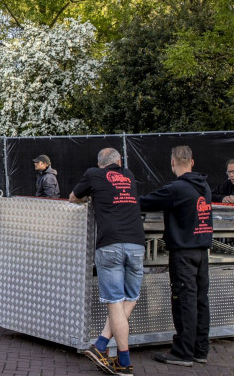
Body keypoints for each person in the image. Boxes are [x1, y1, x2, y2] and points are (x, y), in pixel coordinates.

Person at [70, 147, 144, 375]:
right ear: (119, 161)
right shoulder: (129, 176)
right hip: (136, 243)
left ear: (101, 164)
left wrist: (91, 195)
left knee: (114, 302)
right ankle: (101, 344)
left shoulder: (93, 174)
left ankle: (123, 360)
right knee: (130, 298)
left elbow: (73, 197)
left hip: (110, 243)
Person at [140, 145, 213, 366]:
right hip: (202, 251)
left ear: (173, 162)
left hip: (183, 253)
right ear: (192, 161)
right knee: (200, 300)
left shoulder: (176, 189)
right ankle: (200, 350)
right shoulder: (204, 187)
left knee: (184, 302)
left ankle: (183, 352)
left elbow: (142, 202)